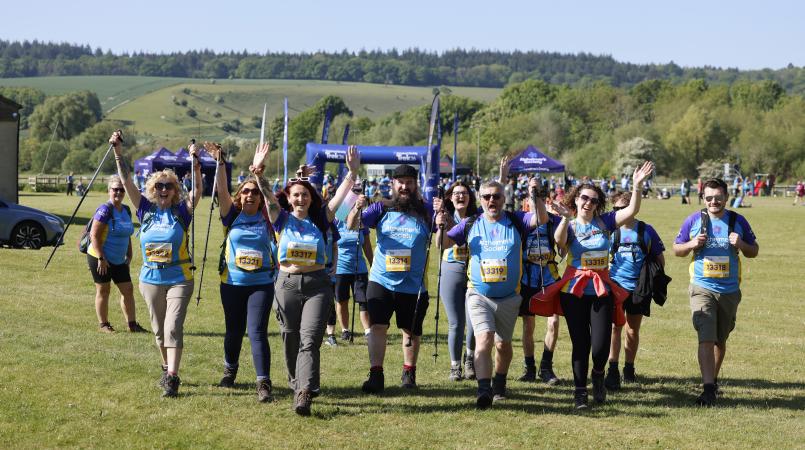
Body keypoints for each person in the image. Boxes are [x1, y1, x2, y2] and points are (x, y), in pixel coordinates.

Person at [541, 161, 654, 409]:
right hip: (574, 292)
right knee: (581, 344)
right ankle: (580, 392)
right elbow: (559, 242)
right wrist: (563, 218)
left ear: (598, 203)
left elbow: (632, 210)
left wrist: (636, 186)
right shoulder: (569, 224)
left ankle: (599, 376)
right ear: (576, 199)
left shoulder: (605, 222)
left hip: (602, 289)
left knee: (601, 346)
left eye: (593, 200)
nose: (588, 203)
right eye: (584, 198)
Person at [435, 178, 544, 408]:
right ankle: (484, 390)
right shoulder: (470, 223)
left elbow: (541, 219)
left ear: (504, 198)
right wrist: (440, 225)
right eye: (487, 197)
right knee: (483, 339)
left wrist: (536, 195)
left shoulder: (516, 220)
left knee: (503, 345)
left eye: (496, 196)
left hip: (510, 297)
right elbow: (442, 244)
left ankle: (499, 384)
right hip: (478, 295)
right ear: (480, 199)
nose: (491, 201)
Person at [111, 130, 201, 398]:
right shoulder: (145, 210)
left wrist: (195, 164)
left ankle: (173, 377)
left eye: (168, 186)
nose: (163, 190)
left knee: (173, 326)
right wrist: (117, 151)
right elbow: (126, 180)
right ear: (152, 189)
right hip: (150, 279)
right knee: (159, 330)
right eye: (159, 186)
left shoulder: (181, 212)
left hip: (179, 277)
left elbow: (197, 192)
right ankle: (166, 367)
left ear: (174, 190)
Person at [271, 146, 360, 416]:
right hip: (287, 284)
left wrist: (352, 172)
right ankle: (295, 381)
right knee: (290, 337)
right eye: (296, 195)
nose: (300, 199)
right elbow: (267, 198)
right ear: (289, 198)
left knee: (310, 340)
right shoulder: (280, 218)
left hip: (317, 286)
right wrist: (265, 175)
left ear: (312, 198)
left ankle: (304, 392)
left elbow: (339, 196)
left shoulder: (321, 220)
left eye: (305, 195)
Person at [672, 178, 758, 406]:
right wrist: (691, 244)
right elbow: (676, 249)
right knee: (706, 336)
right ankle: (708, 388)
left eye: (718, 198)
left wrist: (741, 243)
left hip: (729, 291)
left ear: (726, 198)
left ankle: (713, 380)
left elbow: (754, 251)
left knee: (720, 339)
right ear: (703, 198)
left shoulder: (738, 221)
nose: (713, 201)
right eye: (709, 198)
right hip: (702, 287)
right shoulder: (693, 220)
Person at [348, 164, 434, 394]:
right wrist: (357, 209)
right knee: (377, 326)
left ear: (416, 185)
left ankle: (409, 372)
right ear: (393, 184)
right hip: (381, 280)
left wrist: (444, 217)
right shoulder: (381, 208)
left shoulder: (426, 211)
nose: (404, 187)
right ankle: (376, 374)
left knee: (411, 331)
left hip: (413, 285)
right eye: (400, 182)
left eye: (409, 182)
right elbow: (352, 224)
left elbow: (444, 240)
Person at [209, 142, 278, 403]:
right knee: (233, 330)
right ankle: (230, 370)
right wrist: (220, 163)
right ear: (240, 196)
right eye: (246, 192)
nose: (250, 195)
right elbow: (222, 189)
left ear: (259, 198)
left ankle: (263, 382)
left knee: (257, 331)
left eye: (254, 193)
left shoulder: (269, 216)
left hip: (261, 283)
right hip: (232, 283)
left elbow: (273, 198)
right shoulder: (231, 215)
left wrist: (259, 176)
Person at [496, 159, 563, 385]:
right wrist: (502, 178)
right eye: (531, 194)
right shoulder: (519, 219)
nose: (534, 198)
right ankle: (530, 367)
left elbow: (564, 246)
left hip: (550, 277)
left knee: (553, 322)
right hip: (525, 278)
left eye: (539, 193)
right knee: (528, 324)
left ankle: (547, 366)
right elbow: (495, 207)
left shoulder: (554, 221)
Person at [604, 191, 666, 390]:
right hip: (616, 286)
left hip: (639, 288)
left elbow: (660, 259)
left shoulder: (646, 230)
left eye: (624, 208)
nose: (620, 213)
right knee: (615, 327)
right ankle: (612, 368)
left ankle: (629, 369)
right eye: (616, 209)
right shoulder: (612, 232)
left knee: (633, 329)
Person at [86, 175, 147, 334]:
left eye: (121, 190)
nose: (118, 192)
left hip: (119, 259)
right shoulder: (105, 210)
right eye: (115, 189)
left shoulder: (126, 210)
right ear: (109, 191)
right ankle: (104, 325)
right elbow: (94, 236)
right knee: (104, 290)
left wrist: (129, 254)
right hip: (100, 257)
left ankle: (132, 325)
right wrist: (101, 258)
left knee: (127, 289)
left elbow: (127, 234)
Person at [434, 179, 479, 381]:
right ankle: (455, 366)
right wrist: (440, 221)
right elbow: (439, 245)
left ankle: (470, 359)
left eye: (464, 193)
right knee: (455, 323)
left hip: (473, 270)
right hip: (451, 268)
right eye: (456, 193)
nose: (460, 196)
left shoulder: (478, 218)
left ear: (470, 198)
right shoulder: (444, 216)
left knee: (473, 322)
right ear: (451, 198)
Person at [333, 182, 374, 341]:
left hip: (359, 268)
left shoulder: (361, 220)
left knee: (363, 301)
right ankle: (345, 330)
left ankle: (367, 331)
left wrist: (373, 263)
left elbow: (367, 245)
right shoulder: (338, 219)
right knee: (342, 300)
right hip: (341, 268)